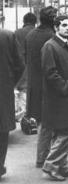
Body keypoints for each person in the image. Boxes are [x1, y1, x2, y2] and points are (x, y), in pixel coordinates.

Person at [40, 15, 68, 181]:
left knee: (62, 132)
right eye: (64, 25)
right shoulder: (50, 46)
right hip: (59, 97)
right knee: (67, 131)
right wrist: (65, 88)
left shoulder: (63, 44)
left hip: (65, 96)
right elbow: (50, 73)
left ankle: (61, 166)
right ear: (56, 27)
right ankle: (51, 165)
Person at [25, 6, 57, 169]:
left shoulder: (31, 35)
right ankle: (44, 157)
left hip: (34, 84)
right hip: (47, 85)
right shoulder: (51, 37)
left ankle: (44, 155)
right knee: (47, 124)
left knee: (41, 122)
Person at [0, 24, 25, 180]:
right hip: (3, 90)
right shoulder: (8, 36)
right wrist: (10, 82)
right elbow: (20, 65)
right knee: (2, 131)